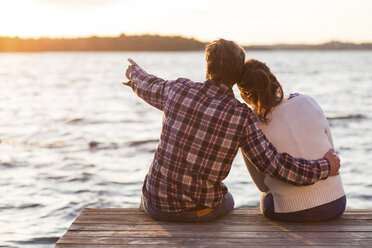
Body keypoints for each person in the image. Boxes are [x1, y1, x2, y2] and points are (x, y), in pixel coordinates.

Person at [123, 39, 340, 223]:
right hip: (200, 211)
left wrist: (134, 73)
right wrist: (324, 167)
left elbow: (148, 84)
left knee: (150, 192)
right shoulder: (241, 116)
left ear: (208, 68)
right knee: (228, 200)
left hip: (156, 205)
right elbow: (275, 165)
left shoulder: (177, 89)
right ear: (236, 78)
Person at [238, 59, 346, 222]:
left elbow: (262, 186)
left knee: (265, 200)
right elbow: (331, 151)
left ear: (244, 95)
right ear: (274, 80)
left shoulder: (250, 124)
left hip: (290, 211)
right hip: (336, 203)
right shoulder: (308, 100)